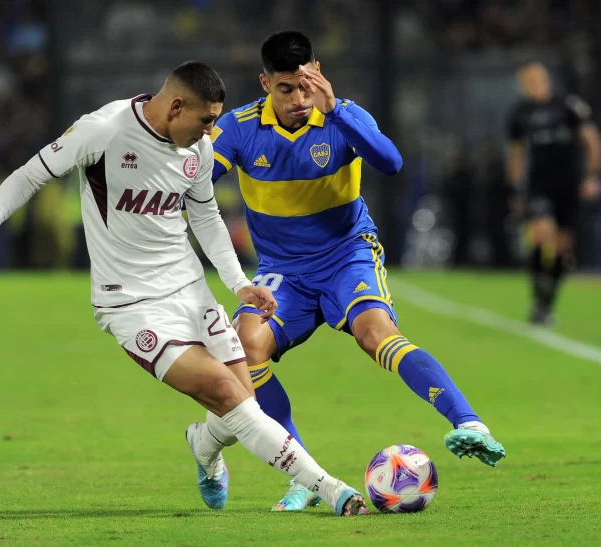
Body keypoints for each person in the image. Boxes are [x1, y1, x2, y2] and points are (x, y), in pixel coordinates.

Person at [0, 61, 369, 517]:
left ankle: (203, 444)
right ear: (175, 106)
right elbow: (29, 174)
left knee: (241, 405)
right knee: (227, 393)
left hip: (190, 290)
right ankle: (332, 489)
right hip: (131, 303)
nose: (211, 132)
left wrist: (239, 284)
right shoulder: (105, 130)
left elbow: (206, 217)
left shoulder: (197, 148)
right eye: (205, 120)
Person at [211, 31, 506, 511]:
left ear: (318, 73)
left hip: (346, 254)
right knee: (247, 348)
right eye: (286, 89)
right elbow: (194, 182)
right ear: (265, 84)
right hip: (283, 270)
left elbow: (391, 163)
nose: (299, 99)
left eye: (306, 85)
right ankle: (303, 476)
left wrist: (336, 112)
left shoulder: (343, 115)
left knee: (375, 334)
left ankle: (470, 423)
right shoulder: (240, 127)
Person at [507, 62, 601, 325]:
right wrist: (515, 188)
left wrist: (591, 177)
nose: (533, 85)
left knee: (563, 248)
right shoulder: (520, 113)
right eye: (527, 81)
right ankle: (538, 299)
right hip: (539, 185)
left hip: (569, 184)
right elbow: (516, 153)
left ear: (546, 79)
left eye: (537, 79)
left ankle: (546, 303)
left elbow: (591, 141)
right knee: (540, 234)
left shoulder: (568, 106)